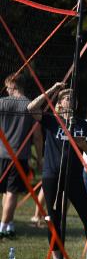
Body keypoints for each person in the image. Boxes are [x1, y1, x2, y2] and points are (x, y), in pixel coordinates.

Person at [27, 83, 87, 259]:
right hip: (51, 176)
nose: (70, 100)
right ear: (59, 103)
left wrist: (83, 145)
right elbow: (31, 108)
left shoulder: (84, 125)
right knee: (53, 218)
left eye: (73, 98)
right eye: (66, 98)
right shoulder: (51, 120)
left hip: (74, 177)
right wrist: (53, 89)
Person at [0, 74, 43, 237]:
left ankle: (8, 225)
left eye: (7, 87)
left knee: (5, 192)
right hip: (19, 156)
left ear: (13, 85)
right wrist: (40, 158)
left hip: (1, 153)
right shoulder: (30, 106)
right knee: (12, 192)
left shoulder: (1, 103)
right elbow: (37, 136)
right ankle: (3, 227)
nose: (7, 90)